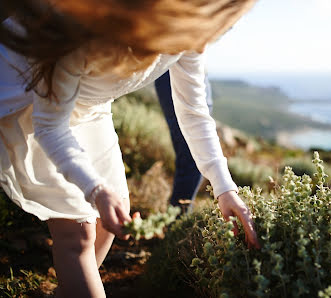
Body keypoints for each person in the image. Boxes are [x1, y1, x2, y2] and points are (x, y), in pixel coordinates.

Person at [0, 1, 259, 297]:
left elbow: (194, 113)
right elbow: (50, 126)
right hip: (30, 105)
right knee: (78, 235)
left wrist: (225, 189)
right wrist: (94, 188)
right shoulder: (87, 27)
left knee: (109, 220)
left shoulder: (187, 35)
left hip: (88, 106)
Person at [155, 71, 213, 211]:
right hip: (176, 71)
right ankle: (178, 221)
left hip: (197, 71)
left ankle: (178, 219)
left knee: (192, 155)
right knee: (191, 156)